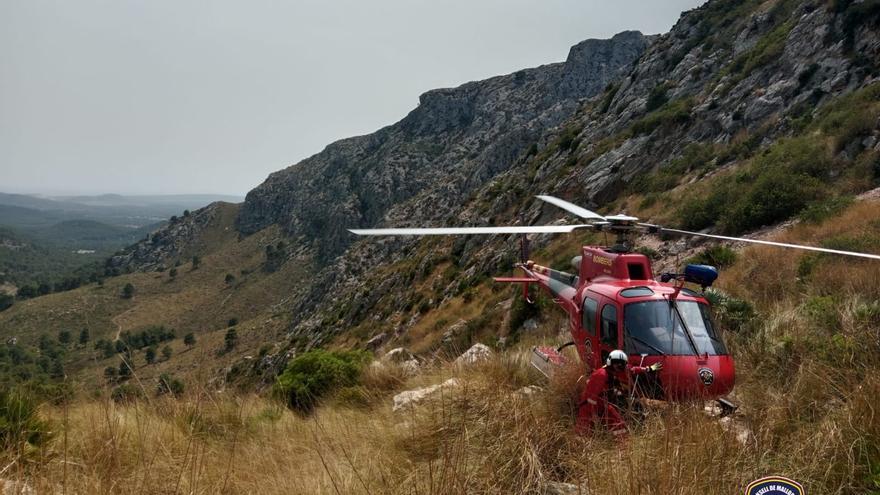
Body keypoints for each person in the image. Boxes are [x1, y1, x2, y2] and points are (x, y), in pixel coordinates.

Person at [575, 349, 662, 437]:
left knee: (618, 424)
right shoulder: (601, 375)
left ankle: (622, 444)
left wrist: (648, 368)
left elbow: (632, 369)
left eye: (622, 365)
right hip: (588, 406)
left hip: (604, 403)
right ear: (611, 363)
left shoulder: (616, 370)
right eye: (618, 365)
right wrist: (594, 413)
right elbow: (591, 397)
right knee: (583, 430)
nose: (620, 367)